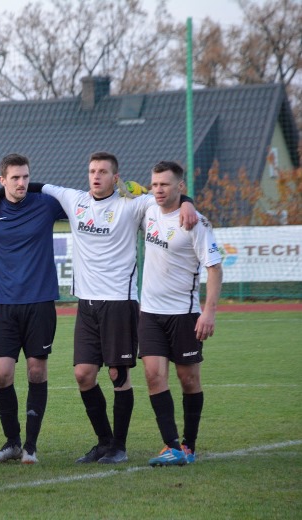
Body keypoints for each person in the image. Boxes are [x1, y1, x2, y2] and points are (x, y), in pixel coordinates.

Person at [0, 151, 198, 464]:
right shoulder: (75, 200)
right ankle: (104, 441)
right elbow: (34, 185)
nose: (96, 176)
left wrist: (188, 201)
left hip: (119, 301)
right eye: (92, 171)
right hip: (86, 303)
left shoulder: (132, 204)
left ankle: (119, 447)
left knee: (117, 374)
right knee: (83, 374)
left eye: (103, 171)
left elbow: (167, 197)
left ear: (115, 177)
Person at [0, 153, 66, 464]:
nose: (21, 183)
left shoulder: (46, 204)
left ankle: (31, 447)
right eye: (15, 178)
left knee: (36, 370)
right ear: (2, 180)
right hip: (4, 304)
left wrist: (0, 191)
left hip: (40, 301)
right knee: (2, 374)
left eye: (25, 177)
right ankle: (12, 443)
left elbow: (86, 202)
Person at [139, 161, 223, 466]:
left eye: (165, 184)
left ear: (180, 186)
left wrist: (208, 312)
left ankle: (189, 444)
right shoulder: (148, 209)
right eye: (155, 184)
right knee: (153, 376)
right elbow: (127, 192)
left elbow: (215, 269)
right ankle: (172, 447)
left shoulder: (197, 223)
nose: (158, 190)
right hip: (149, 312)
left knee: (188, 379)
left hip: (184, 314)